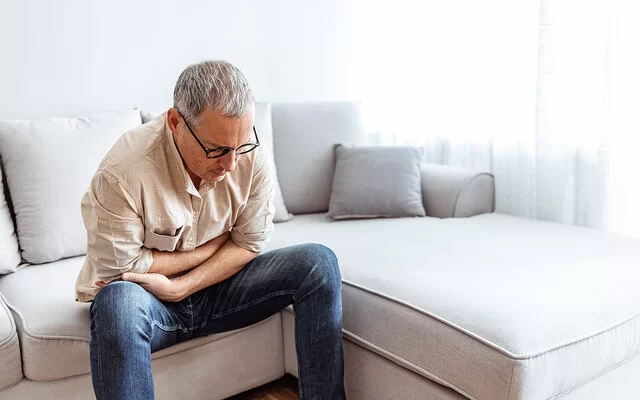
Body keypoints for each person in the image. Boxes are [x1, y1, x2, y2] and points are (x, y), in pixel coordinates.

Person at [75, 60, 346, 399]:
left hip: (219, 288)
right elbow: (123, 270)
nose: (231, 164)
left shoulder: (249, 152)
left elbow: (248, 244)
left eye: (240, 146)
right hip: (150, 301)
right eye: (216, 149)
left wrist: (182, 285)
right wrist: (212, 247)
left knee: (318, 263)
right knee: (117, 302)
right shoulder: (123, 171)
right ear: (176, 123)